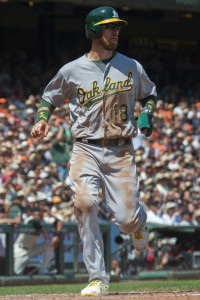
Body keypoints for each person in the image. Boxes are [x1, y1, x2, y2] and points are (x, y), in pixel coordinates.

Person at [31, 6, 157, 296]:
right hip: (85, 148)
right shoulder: (72, 69)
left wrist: (146, 113)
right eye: (109, 26)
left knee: (125, 222)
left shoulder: (131, 65)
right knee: (85, 203)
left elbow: (150, 93)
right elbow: (49, 97)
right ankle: (98, 278)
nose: (116, 31)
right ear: (93, 31)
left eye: (117, 26)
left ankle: (139, 223)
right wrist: (41, 119)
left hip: (121, 150)